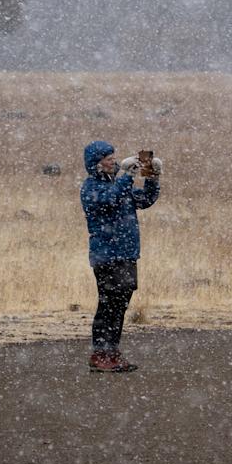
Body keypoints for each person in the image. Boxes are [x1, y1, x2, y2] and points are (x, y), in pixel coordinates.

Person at [80, 140, 161, 373]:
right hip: (106, 256)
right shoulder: (90, 187)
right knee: (108, 304)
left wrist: (153, 177)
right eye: (108, 158)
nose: (113, 161)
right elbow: (110, 200)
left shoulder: (119, 184)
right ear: (96, 164)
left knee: (120, 305)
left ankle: (112, 352)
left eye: (113, 157)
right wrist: (127, 176)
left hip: (126, 254)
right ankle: (100, 353)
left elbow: (144, 200)